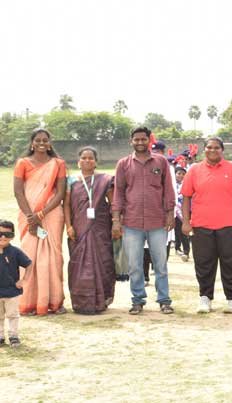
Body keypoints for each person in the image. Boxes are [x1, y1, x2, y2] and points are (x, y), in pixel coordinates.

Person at [181, 137, 232, 314]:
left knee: (231, 263)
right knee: (204, 264)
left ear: (222, 150)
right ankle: (205, 298)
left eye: (217, 147)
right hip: (201, 225)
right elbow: (186, 197)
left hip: (229, 225)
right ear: (204, 150)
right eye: (209, 147)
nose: (213, 150)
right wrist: (186, 222)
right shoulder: (194, 170)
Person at [112, 127, 176, 315]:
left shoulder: (161, 162)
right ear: (131, 141)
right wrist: (116, 219)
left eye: (143, 139)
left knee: (160, 264)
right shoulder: (123, 164)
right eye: (136, 139)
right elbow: (119, 193)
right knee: (134, 265)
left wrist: (170, 214)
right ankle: (137, 300)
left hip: (158, 222)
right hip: (131, 223)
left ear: (149, 140)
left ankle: (164, 300)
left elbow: (168, 190)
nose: (140, 142)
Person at [13, 128, 66, 315]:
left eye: (45, 140)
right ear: (32, 143)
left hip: (51, 214)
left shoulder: (58, 164)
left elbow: (60, 193)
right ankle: (29, 302)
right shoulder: (22, 163)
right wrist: (31, 217)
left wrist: (41, 215)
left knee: (53, 257)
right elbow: (18, 191)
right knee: (29, 256)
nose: (42, 143)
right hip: (28, 214)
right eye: (38, 140)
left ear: (50, 143)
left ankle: (53, 301)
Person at [64, 146, 116, 314]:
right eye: (84, 158)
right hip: (78, 228)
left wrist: (116, 222)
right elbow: (66, 205)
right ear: (78, 162)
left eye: (90, 158)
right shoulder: (71, 180)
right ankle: (81, 302)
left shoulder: (105, 180)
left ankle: (102, 300)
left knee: (103, 262)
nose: (87, 160)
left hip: (100, 228)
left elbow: (113, 203)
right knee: (79, 263)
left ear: (96, 162)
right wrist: (68, 226)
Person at [0, 220, 32, 347]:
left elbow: (29, 264)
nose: (3, 237)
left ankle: (13, 336)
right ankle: (1, 336)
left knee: (12, 315)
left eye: (7, 235)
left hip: (12, 291)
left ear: (12, 236)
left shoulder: (15, 252)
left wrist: (23, 280)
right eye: (0, 233)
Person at [174, 166, 190, 262]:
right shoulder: (171, 184)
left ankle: (186, 251)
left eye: (183, 174)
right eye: (179, 173)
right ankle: (177, 247)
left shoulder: (186, 184)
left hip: (184, 210)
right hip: (174, 211)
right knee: (176, 231)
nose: (181, 175)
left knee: (184, 231)